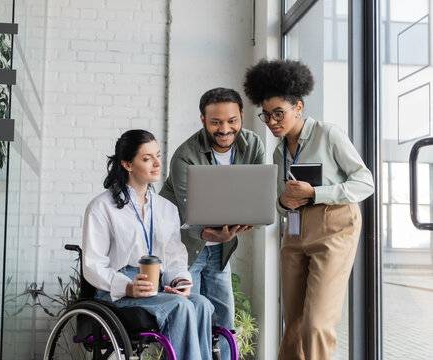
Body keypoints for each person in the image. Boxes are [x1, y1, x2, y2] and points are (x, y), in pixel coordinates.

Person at [243, 59, 374, 360]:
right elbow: (280, 201)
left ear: (298, 107)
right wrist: (282, 203)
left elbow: (365, 182)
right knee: (294, 327)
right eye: (267, 115)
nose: (272, 122)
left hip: (334, 229)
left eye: (279, 113)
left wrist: (315, 193)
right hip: (295, 233)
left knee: (315, 326)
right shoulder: (278, 152)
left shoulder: (328, 134)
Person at [82, 129, 214, 360]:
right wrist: (128, 287)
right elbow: (93, 265)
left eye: (157, 155)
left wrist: (180, 280)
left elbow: (174, 258)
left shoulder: (166, 209)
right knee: (180, 307)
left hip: (159, 286)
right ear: (127, 165)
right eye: (146, 158)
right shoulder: (101, 207)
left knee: (201, 304)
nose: (156, 163)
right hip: (119, 290)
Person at [160, 87, 265, 358]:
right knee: (190, 318)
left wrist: (245, 219)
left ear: (241, 116)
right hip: (184, 247)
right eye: (216, 122)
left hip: (220, 248)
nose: (225, 129)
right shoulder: (185, 156)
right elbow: (190, 213)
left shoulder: (253, 145)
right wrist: (215, 231)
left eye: (232, 120)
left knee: (224, 318)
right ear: (203, 120)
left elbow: (258, 194)